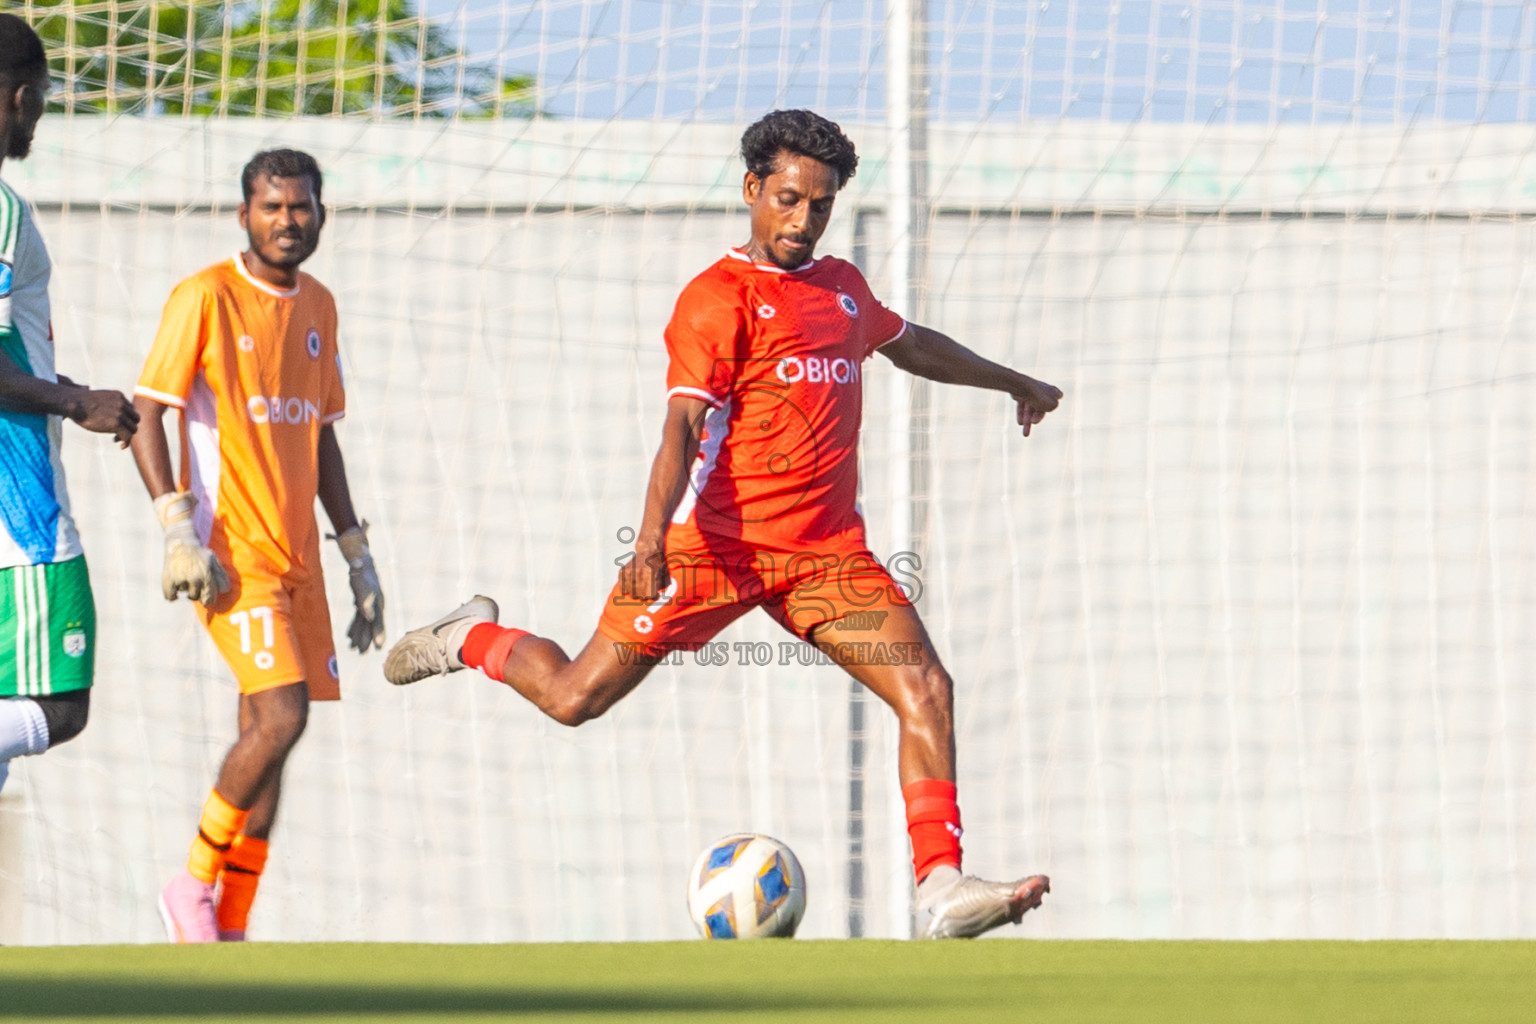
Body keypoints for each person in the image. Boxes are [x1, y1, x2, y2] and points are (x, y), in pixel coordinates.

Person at [385, 109, 1062, 939]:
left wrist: (1015, 381)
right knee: (572, 698)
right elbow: (681, 426)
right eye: (787, 199)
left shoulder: (843, 289)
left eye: (820, 204)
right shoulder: (716, 300)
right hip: (713, 550)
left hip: (824, 558)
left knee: (926, 687)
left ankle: (941, 888)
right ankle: (469, 637)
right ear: (751, 189)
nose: (802, 219)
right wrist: (648, 541)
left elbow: (912, 344)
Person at [130, 148, 384, 943]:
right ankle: (191, 884)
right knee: (283, 715)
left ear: (320, 214)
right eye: (271, 207)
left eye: (300, 206)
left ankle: (231, 922)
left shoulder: (320, 305)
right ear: (244, 215)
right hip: (229, 553)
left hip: (299, 556)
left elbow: (323, 436)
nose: (287, 220)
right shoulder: (205, 296)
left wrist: (357, 554)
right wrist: (177, 530)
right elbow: (148, 413)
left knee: (270, 741)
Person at [0, 13, 139, 796]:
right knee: (58, 706)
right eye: (44, 99)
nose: (40, 117)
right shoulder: (0, 208)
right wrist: (74, 401)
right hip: (16, 513)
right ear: (19, 96)